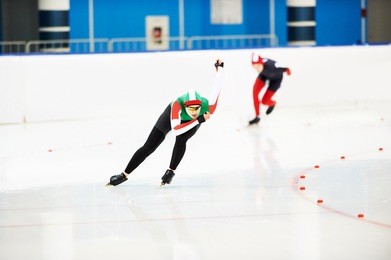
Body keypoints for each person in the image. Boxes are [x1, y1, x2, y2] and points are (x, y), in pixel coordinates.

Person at [106, 59, 224, 187]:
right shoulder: (177, 105)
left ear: (202, 105)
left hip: (191, 122)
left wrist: (220, 69)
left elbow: (217, 88)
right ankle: (124, 174)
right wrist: (198, 119)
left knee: (181, 140)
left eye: (197, 109)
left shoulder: (209, 106)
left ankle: (170, 172)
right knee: (149, 147)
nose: (194, 111)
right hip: (171, 119)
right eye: (190, 109)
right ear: (185, 106)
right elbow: (176, 129)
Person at [248, 53, 291, 125]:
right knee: (254, 92)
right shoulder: (261, 67)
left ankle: (273, 103)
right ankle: (257, 116)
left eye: (258, 66)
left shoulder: (272, 67)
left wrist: (289, 72)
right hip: (264, 76)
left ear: (262, 63)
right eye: (255, 67)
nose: (257, 69)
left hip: (275, 81)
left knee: (264, 101)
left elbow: (287, 69)